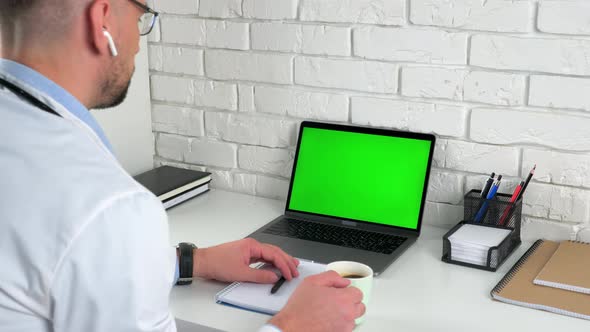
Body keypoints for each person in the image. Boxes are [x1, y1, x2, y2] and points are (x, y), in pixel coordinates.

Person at [0, 1, 365, 331]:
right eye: (142, 16)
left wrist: (189, 262)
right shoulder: (109, 205)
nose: (140, 43)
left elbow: (43, 276)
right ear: (103, 19)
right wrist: (294, 326)